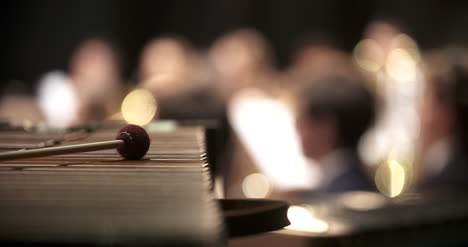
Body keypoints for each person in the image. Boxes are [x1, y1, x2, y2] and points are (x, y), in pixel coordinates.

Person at [295, 75, 377, 193]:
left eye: (303, 118)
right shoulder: (355, 182)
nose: (297, 126)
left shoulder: (339, 193)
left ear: (326, 128)